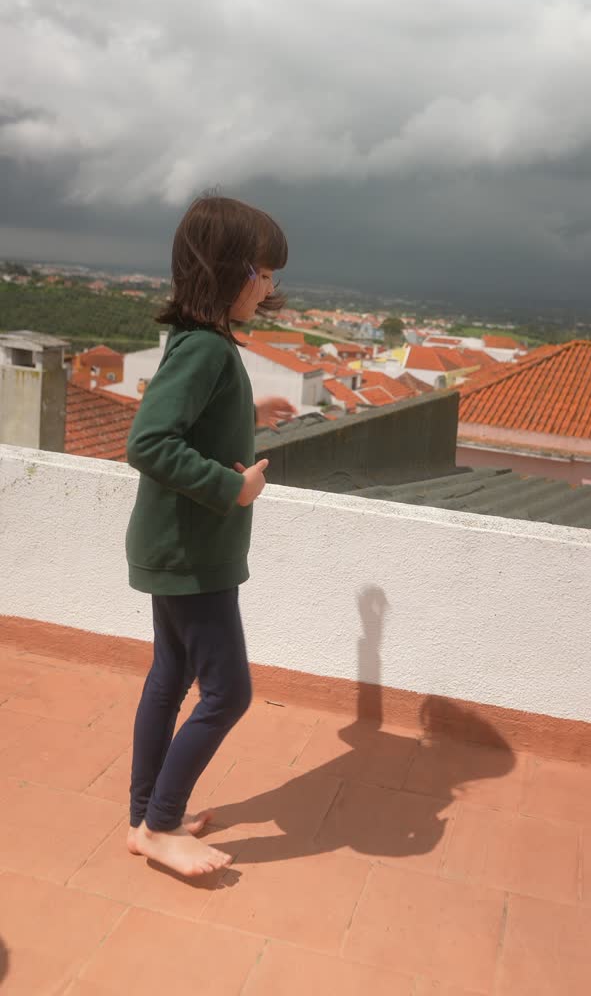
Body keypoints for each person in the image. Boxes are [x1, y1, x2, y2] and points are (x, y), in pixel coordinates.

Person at [124, 193, 297, 877]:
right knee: (228, 692)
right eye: (264, 271)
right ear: (228, 270)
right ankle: (161, 827)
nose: (270, 287)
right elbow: (149, 442)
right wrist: (234, 488)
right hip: (195, 556)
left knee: (171, 676)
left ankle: (143, 815)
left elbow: (188, 420)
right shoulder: (206, 349)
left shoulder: (200, 343)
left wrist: (245, 411)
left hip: (177, 549)